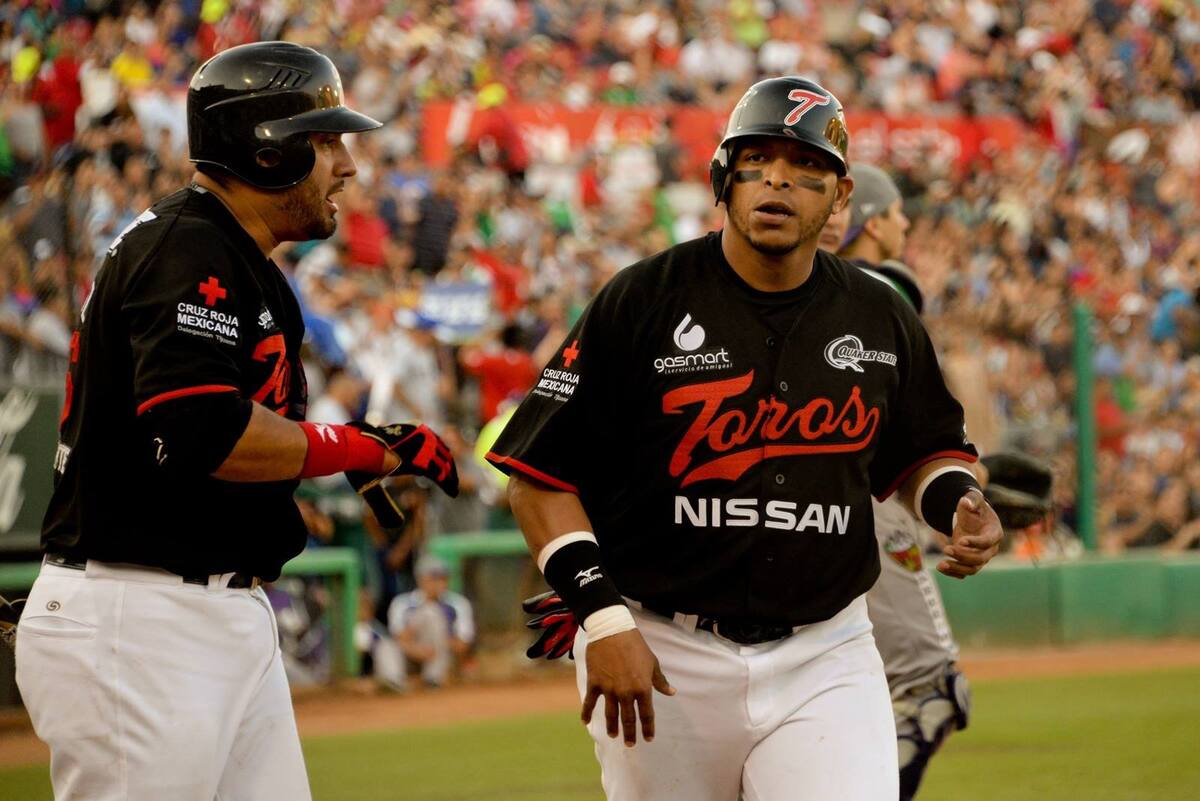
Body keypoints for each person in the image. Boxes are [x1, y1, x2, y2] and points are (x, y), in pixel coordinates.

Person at [487, 76, 1002, 801]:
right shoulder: (642, 299)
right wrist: (601, 618)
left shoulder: (879, 315)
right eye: (757, 161)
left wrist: (959, 504)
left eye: (807, 166)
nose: (778, 181)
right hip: (664, 645)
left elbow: (926, 453)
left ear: (841, 197)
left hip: (826, 649)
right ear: (722, 179)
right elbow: (538, 476)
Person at [15, 42, 459, 801]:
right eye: (327, 142)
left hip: (209, 610)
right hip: (143, 613)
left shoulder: (241, 260)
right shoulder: (188, 248)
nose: (348, 166)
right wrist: (358, 447)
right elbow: (203, 432)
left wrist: (311, 471)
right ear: (267, 149)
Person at [828, 163, 972, 801]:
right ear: (868, 218)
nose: (905, 223)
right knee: (932, 689)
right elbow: (896, 429)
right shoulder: (882, 288)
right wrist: (971, 483)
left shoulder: (791, 291)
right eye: (894, 212)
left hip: (807, 512)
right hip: (870, 503)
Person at [382, 554, 475, 689]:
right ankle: (395, 684)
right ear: (420, 579)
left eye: (443, 577)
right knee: (385, 645)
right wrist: (416, 650)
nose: (439, 582)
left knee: (432, 613)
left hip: (440, 655)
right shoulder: (402, 603)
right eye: (434, 577)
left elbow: (462, 645)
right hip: (409, 653)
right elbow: (398, 637)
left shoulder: (458, 603)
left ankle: (432, 681)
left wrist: (440, 641)